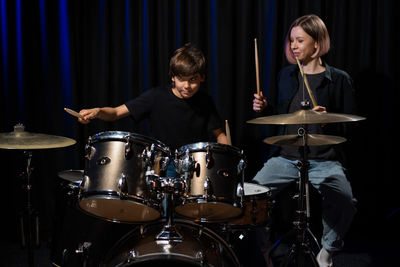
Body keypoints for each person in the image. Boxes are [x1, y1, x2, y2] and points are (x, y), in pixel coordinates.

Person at [252, 14, 357, 267]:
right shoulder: (286, 76)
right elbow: (282, 116)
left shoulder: (339, 79)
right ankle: (263, 251)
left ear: (317, 44)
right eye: (292, 41)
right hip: (286, 157)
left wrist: (328, 120)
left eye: (300, 40)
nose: (294, 46)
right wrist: (265, 108)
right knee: (252, 197)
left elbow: (351, 126)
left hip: (325, 160)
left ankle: (327, 251)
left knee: (345, 200)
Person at [78, 43, 228, 175]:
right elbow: (116, 113)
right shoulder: (156, 96)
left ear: (202, 77)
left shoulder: (205, 101)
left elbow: (220, 135)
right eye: (181, 79)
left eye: (193, 80)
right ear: (173, 77)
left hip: (195, 166)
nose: (187, 86)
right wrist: (97, 111)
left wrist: (227, 162)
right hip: (162, 165)